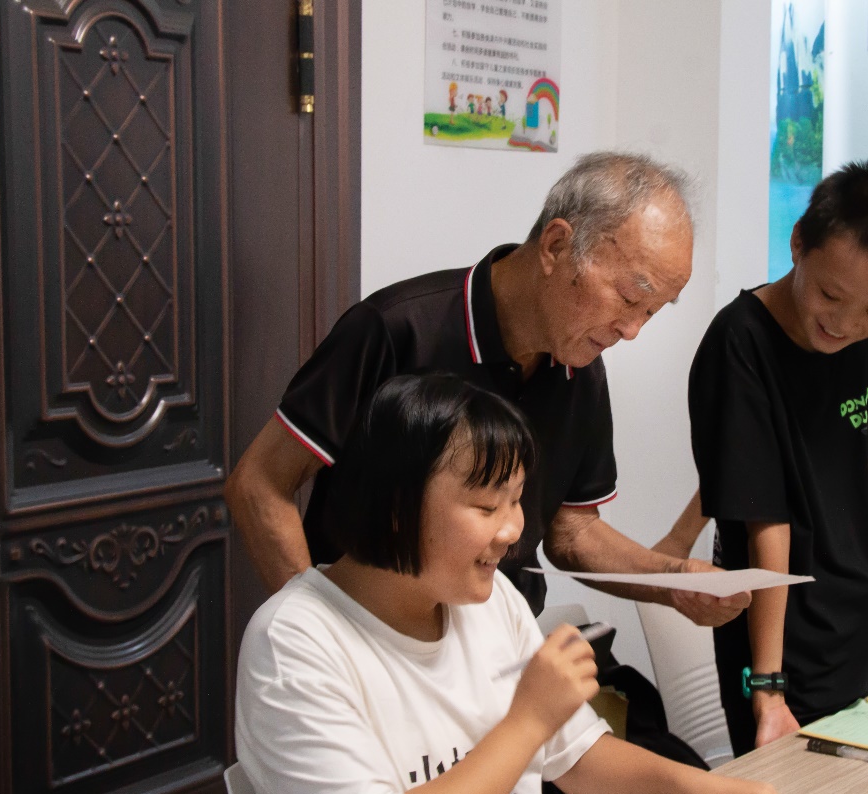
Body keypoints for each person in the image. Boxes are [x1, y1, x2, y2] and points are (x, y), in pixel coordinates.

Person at [235, 374, 798, 794]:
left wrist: (698, 789)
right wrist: (528, 719)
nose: (512, 530)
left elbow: (579, 759)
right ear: (397, 507)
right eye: (487, 506)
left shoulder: (488, 598)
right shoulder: (293, 644)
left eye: (517, 499)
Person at [225, 151, 747, 626]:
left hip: (499, 651)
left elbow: (573, 532)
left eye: (651, 312)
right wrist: (321, 634)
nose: (632, 331)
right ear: (556, 246)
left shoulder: (581, 370)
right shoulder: (398, 329)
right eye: (630, 298)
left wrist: (675, 580)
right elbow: (260, 483)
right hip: (374, 638)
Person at [685, 162, 868, 757]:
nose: (845, 324)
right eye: (831, 295)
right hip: (780, 642)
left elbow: (860, 492)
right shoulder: (739, 342)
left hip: (858, 627)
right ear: (799, 242)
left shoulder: (864, 342)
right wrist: (768, 688)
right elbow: (765, 521)